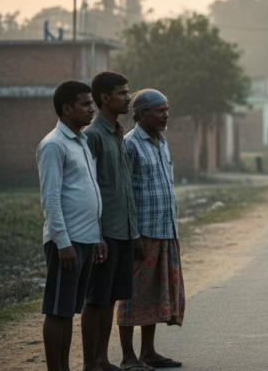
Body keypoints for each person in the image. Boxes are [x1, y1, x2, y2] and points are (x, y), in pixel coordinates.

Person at [37, 81, 107, 371]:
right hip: (65, 242)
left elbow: (89, 192)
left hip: (85, 239)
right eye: (85, 104)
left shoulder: (80, 141)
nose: (92, 109)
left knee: (68, 310)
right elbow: (50, 198)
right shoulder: (53, 144)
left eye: (92, 103)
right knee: (57, 311)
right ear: (67, 109)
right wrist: (62, 243)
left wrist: (98, 236)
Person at [82, 72, 148, 371]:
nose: (128, 97)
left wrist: (134, 233)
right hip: (103, 232)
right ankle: (89, 362)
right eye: (121, 93)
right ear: (104, 98)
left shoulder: (118, 133)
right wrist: (94, 235)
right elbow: (90, 190)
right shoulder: (93, 136)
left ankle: (102, 360)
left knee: (110, 299)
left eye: (127, 91)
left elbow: (124, 189)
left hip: (123, 232)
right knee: (96, 300)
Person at [118, 89, 185, 369]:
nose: (165, 115)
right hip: (141, 234)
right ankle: (128, 356)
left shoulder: (162, 142)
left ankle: (148, 352)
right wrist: (131, 235)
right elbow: (124, 194)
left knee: (156, 293)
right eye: (159, 111)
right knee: (132, 296)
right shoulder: (130, 144)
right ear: (141, 114)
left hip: (165, 230)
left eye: (166, 109)